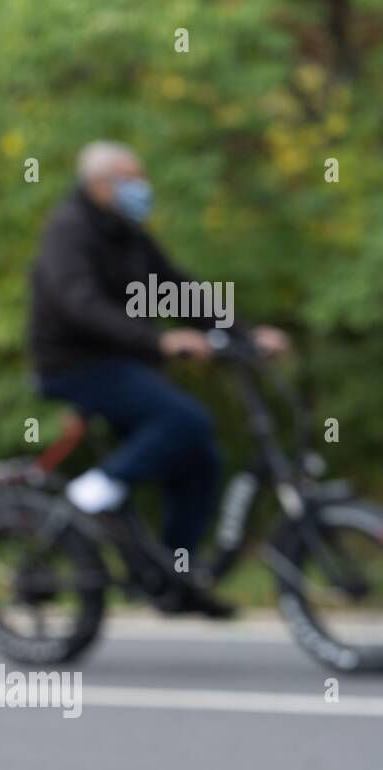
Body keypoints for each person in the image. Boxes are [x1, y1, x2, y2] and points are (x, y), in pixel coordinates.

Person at [28, 141, 289, 614]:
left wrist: (246, 335)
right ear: (101, 183)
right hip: (73, 365)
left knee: (200, 456)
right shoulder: (69, 230)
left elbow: (181, 289)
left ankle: (170, 574)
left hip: (124, 363)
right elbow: (78, 303)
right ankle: (93, 493)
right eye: (133, 178)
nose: (142, 188)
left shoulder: (128, 233)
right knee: (186, 420)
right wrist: (160, 342)